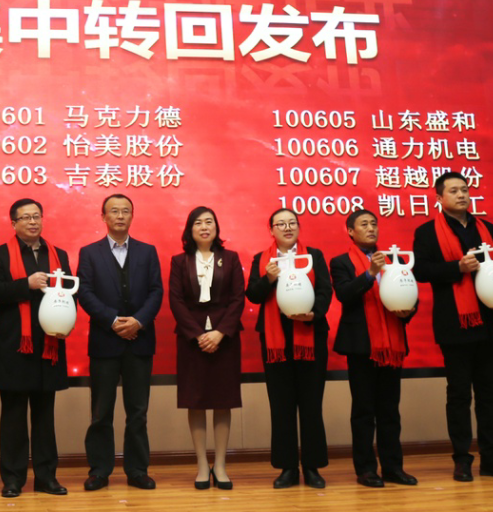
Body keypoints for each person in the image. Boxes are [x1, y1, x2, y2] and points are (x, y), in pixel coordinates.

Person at [412, 171, 493, 482]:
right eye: (454, 191)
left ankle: (492, 458)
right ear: (439, 198)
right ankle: (462, 459)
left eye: (465, 189)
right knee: (459, 395)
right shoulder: (426, 231)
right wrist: (456, 267)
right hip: (455, 323)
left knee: (489, 394)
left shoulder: (487, 227)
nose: (462, 195)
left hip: (490, 321)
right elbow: (421, 270)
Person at [0, 198, 74, 497]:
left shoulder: (58, 254)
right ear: (13, 223)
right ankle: (12, 479)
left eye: (37, 216)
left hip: (49, 345)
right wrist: (26, 284)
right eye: (26, 217)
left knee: (45, 417)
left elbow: (69, 293)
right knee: (13, 417)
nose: (33, 222)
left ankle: (47, 478)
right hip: (14, 346)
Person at [78, 193, 163, 491]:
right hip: (105, 341)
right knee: (101, 411)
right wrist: (113, 321)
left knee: (137, 412)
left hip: (140, 341)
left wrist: (138, 321)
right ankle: (99, 471)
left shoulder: (147, 251)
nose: (120, 215)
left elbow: (156, 291)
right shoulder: (89, 253)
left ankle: (137, 470)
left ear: (132, 216)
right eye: (114, 211)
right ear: (103, 216)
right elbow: (85, 292)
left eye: (126, 210)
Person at [331, 209, 417, 488]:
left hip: (392, 343)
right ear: (350, 231)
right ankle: (366, 469)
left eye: (374, 224)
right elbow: (344, 294)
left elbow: (409, 292)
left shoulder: (395, 259)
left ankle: (393, 468)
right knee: (364, 411)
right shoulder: (341, 262)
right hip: (361, 345)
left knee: (390, 411)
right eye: (364, 224)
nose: (371, 228)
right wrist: (370, 273)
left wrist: (409, 310)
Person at [246, 208, 331, 489]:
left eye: (292, 223)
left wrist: (314, 314)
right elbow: (253, 295)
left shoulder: (314, 255)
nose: (287, 227)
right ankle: (287, 468)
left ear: (298, 227)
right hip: (275, 341)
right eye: (280, 224)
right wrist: (268, 278)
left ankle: (312, 467)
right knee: (281, 405)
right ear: (271, 230)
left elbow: (325, 291)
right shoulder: (262, 259)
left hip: (310, 335)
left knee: (311, 404)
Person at [167, 206, 243, 490]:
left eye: (209, 222)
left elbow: (237, 299)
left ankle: (220, 465)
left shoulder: (231, 258)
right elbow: (176, 301)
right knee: (195, 401)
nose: (204, 226)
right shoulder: (179, 261)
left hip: (225, 339)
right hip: (192, 340)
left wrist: (220, 333)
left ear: (216, 228)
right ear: (190, 230)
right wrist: (198, 335)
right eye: (198, 223)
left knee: (223, 401)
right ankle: (201, 465)